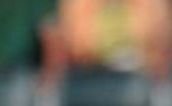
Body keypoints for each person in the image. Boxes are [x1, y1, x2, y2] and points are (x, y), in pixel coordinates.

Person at [42, 0, 172, 81]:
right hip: (87, 83)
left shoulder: (154, 5)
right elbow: (70, 44)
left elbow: (161, 43)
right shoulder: (77, 5)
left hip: (143, 84)